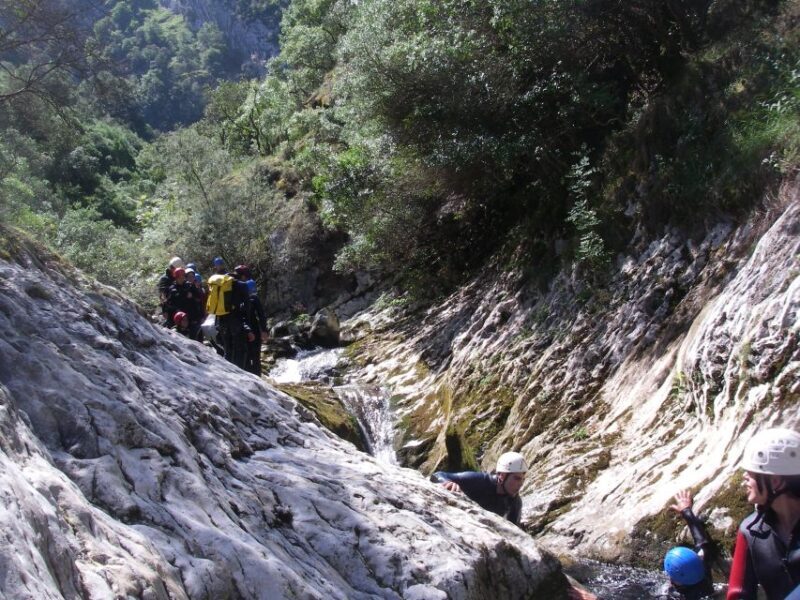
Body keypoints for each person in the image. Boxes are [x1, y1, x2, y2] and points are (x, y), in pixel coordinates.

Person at [727, 428, 800, 600]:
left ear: (776, 481)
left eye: (751, 473)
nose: (744, 477)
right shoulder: (749, 531)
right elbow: (738, 594)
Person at [431, 451, 527, 526]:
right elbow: (438, 475)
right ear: (502, 475)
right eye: (517, 478)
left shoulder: (515, 503)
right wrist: (446, 482)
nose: (521, 484)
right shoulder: (479, 481)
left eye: (523, 479)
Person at [662, 489, 716, 599]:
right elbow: (702, 542)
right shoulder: (704, 577)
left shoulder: (671, 595)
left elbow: (702, 543)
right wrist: (686, 511)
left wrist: (686, 511)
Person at [243, 279, 268, 376]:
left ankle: (249, 374)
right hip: (255, 330)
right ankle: (257, 376)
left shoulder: (242, 299)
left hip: (244, 331)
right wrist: (264, 330)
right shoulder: (254, 298)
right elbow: (261, 315)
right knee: (256, 356)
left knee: (248, 355)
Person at [157, 256, 183, 325]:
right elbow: (162, 296)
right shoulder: (164, 279)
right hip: (170, 309)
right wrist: (165, 310)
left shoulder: (176, 277)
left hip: (179, 306)